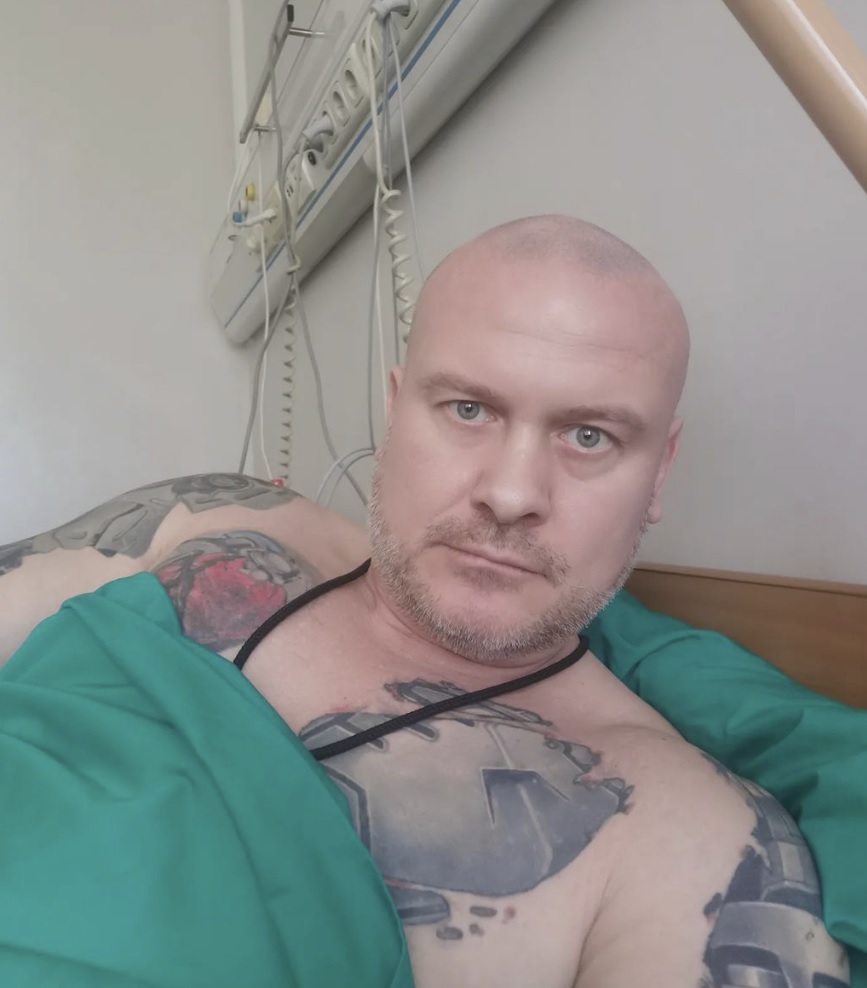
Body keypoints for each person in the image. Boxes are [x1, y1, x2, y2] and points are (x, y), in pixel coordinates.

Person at [0, 216, 849, 987]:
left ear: (659, 471)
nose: (510, 494)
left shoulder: (680, 840)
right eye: (468, 409)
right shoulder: (216, 521)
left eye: (588, 436)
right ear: (396, 406)